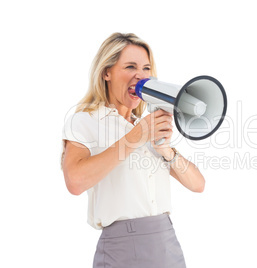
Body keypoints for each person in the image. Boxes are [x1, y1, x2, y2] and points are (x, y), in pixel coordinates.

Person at [61, 32, 205, 268]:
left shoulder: (144, 126)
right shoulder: (84, 121)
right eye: (130, 66)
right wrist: (134, 138)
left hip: (168, 244)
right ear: (106, 72)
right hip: (123, 248)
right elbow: (75, 181)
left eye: (146, 68)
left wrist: (166, 150)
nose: (141, 76)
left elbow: (198, 185)